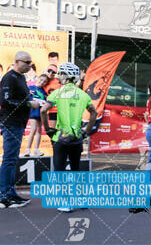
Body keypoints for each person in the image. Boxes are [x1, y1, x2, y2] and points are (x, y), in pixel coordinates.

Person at [41, 63, 97, 213]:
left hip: (60, 137)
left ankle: (65, 202)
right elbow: (94, 113)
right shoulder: (83, 94)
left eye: (60, 74)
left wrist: (48, 129)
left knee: (59, 170)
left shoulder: (58, 93)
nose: (59, 76)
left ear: (65, 76)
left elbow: (43, 110)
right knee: (75, 169)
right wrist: (87, 131)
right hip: (77, 137)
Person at [0, 51, 39, 208]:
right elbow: (6, 100)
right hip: (11, 123)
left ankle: (10, 193)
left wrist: (31, 100)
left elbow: (19, 99)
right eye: (27, 62)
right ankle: (4, 196)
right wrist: (29, 104)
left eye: (30, 62)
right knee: (9, 159)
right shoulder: (9, 77)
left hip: (18, 123)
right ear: (17, 61)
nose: (30, 65)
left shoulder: (21, 77)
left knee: (12, 159)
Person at [24, 74, 49, 157]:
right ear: (38, 78)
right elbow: (24, 98)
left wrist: (47, 98)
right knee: (33, 129)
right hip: (32, 112)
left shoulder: (44, 91)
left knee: (39, 130)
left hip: (40, 112)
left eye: (44, 81)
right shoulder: (30, 88)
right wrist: (27, 93)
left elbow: (46, 102)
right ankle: (27, 149)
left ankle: (36, 149)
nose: (42, 82)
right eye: (41, 80)